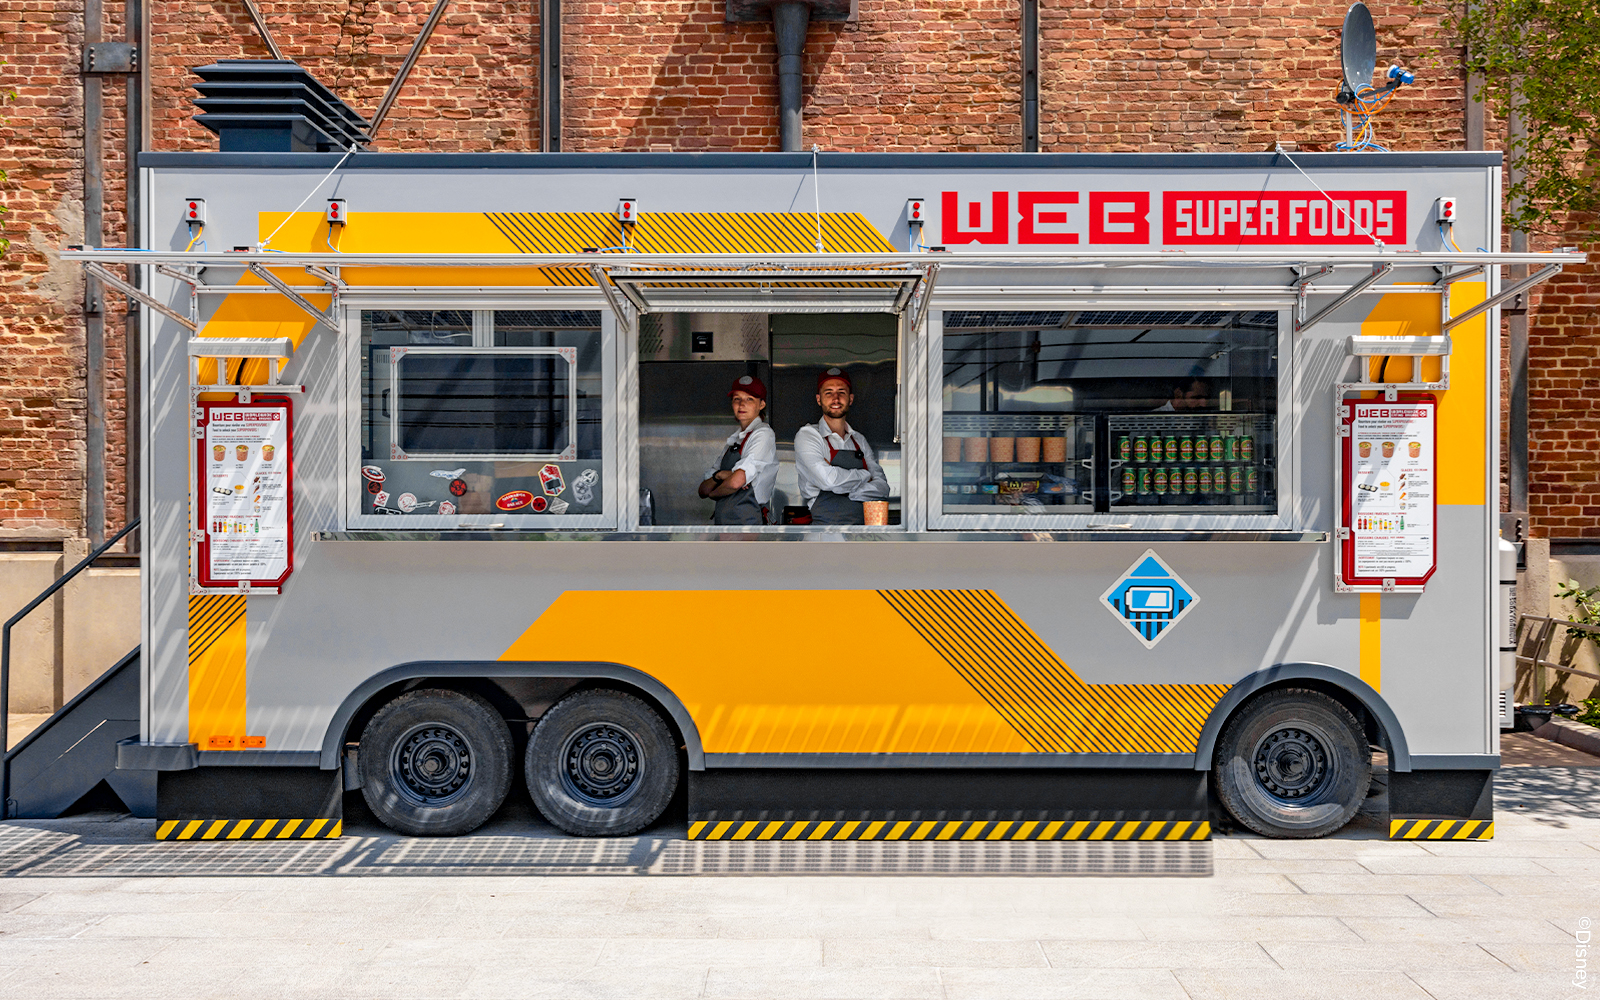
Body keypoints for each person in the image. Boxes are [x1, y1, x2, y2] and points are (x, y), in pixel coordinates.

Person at [794, 367, 889, 525]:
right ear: (819, 399)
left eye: (841, 392)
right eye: (828, 392)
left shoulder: (859, 440)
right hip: (824, 535)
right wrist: (865, 476)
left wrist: (850, 492)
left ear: (850, 399)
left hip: (860, 535)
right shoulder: (809, 436)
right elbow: (829, 481)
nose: (835, 399)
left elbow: (882, 488)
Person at [698, 374, 777, 525]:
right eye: (737, 399)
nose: (742, 405)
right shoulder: (733, 440)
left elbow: (736, 481)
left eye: (750, 399)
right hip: (724, 523)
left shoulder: (763, 434)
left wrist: (716, 492)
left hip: (748, 521)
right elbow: (702, 490)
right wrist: (719, 476)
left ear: (761, 405)